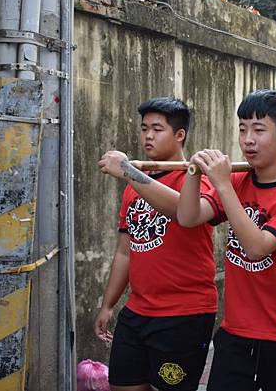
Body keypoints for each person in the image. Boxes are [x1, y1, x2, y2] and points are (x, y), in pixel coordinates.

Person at [176, 89, 276, 391]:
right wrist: (193, 173)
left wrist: (223, 185)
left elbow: (256, 248)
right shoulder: (238, 181)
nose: (248, 140)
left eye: (258, 129)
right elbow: (189, 217)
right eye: (242, 129)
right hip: (237, 330)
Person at [95, 97, 217, 391]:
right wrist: (108, 304)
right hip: (138, 310)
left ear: (179, 135)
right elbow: (125, 251)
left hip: (184, 314)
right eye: (144, 128)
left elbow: (184, 212)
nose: (148, 135)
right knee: (124, 385)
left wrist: (127, 171)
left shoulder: (197, 177)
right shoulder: (134, 186)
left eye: (157, 129)